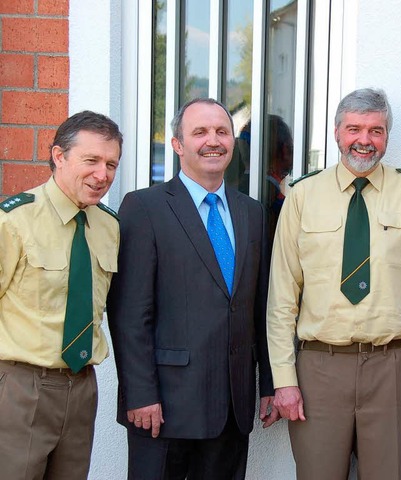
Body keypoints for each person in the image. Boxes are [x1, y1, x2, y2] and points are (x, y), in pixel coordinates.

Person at [267, 88, 401, 479]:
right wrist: (284, 380)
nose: (364, 140)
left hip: (394, 366)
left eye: (376, 130)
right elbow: (282, 297)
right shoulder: (301, 196)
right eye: (354, 129)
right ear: (337, 133)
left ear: (387, 136)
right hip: (319, 367)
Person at [107, 98, 278, 480]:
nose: (212, 141)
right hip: (164, 408)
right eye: (199, 132)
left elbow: (260, 307)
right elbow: (129, 315)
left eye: (221, 131)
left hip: (233, 405)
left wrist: (269, 383)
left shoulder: (252, 212)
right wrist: (140, 393)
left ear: (233, 142)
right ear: (178, 144)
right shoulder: (144, 208)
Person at [0, 111, 123, 479]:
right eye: (92, 160)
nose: (103, 175)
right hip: (20, 386)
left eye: (111, 164)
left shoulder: (109, 225)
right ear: (59, 156)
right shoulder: (15, 220)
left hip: (82, 387)